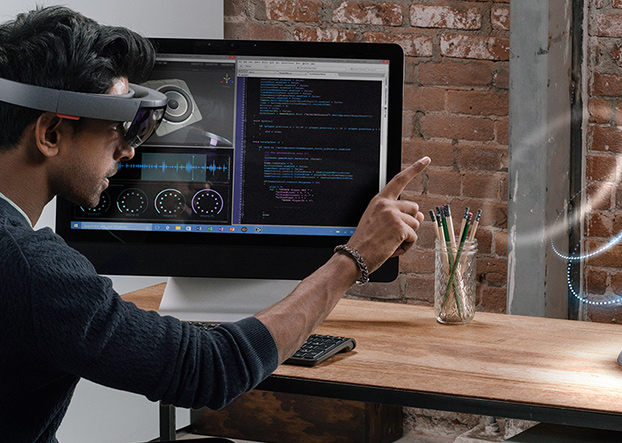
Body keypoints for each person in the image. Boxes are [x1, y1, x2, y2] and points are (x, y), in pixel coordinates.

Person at [0, 6, 430, 442]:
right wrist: (352, 260)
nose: (127, 151)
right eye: (117, 129)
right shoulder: (36, 273)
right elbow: (210, 369)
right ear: (51, 133)